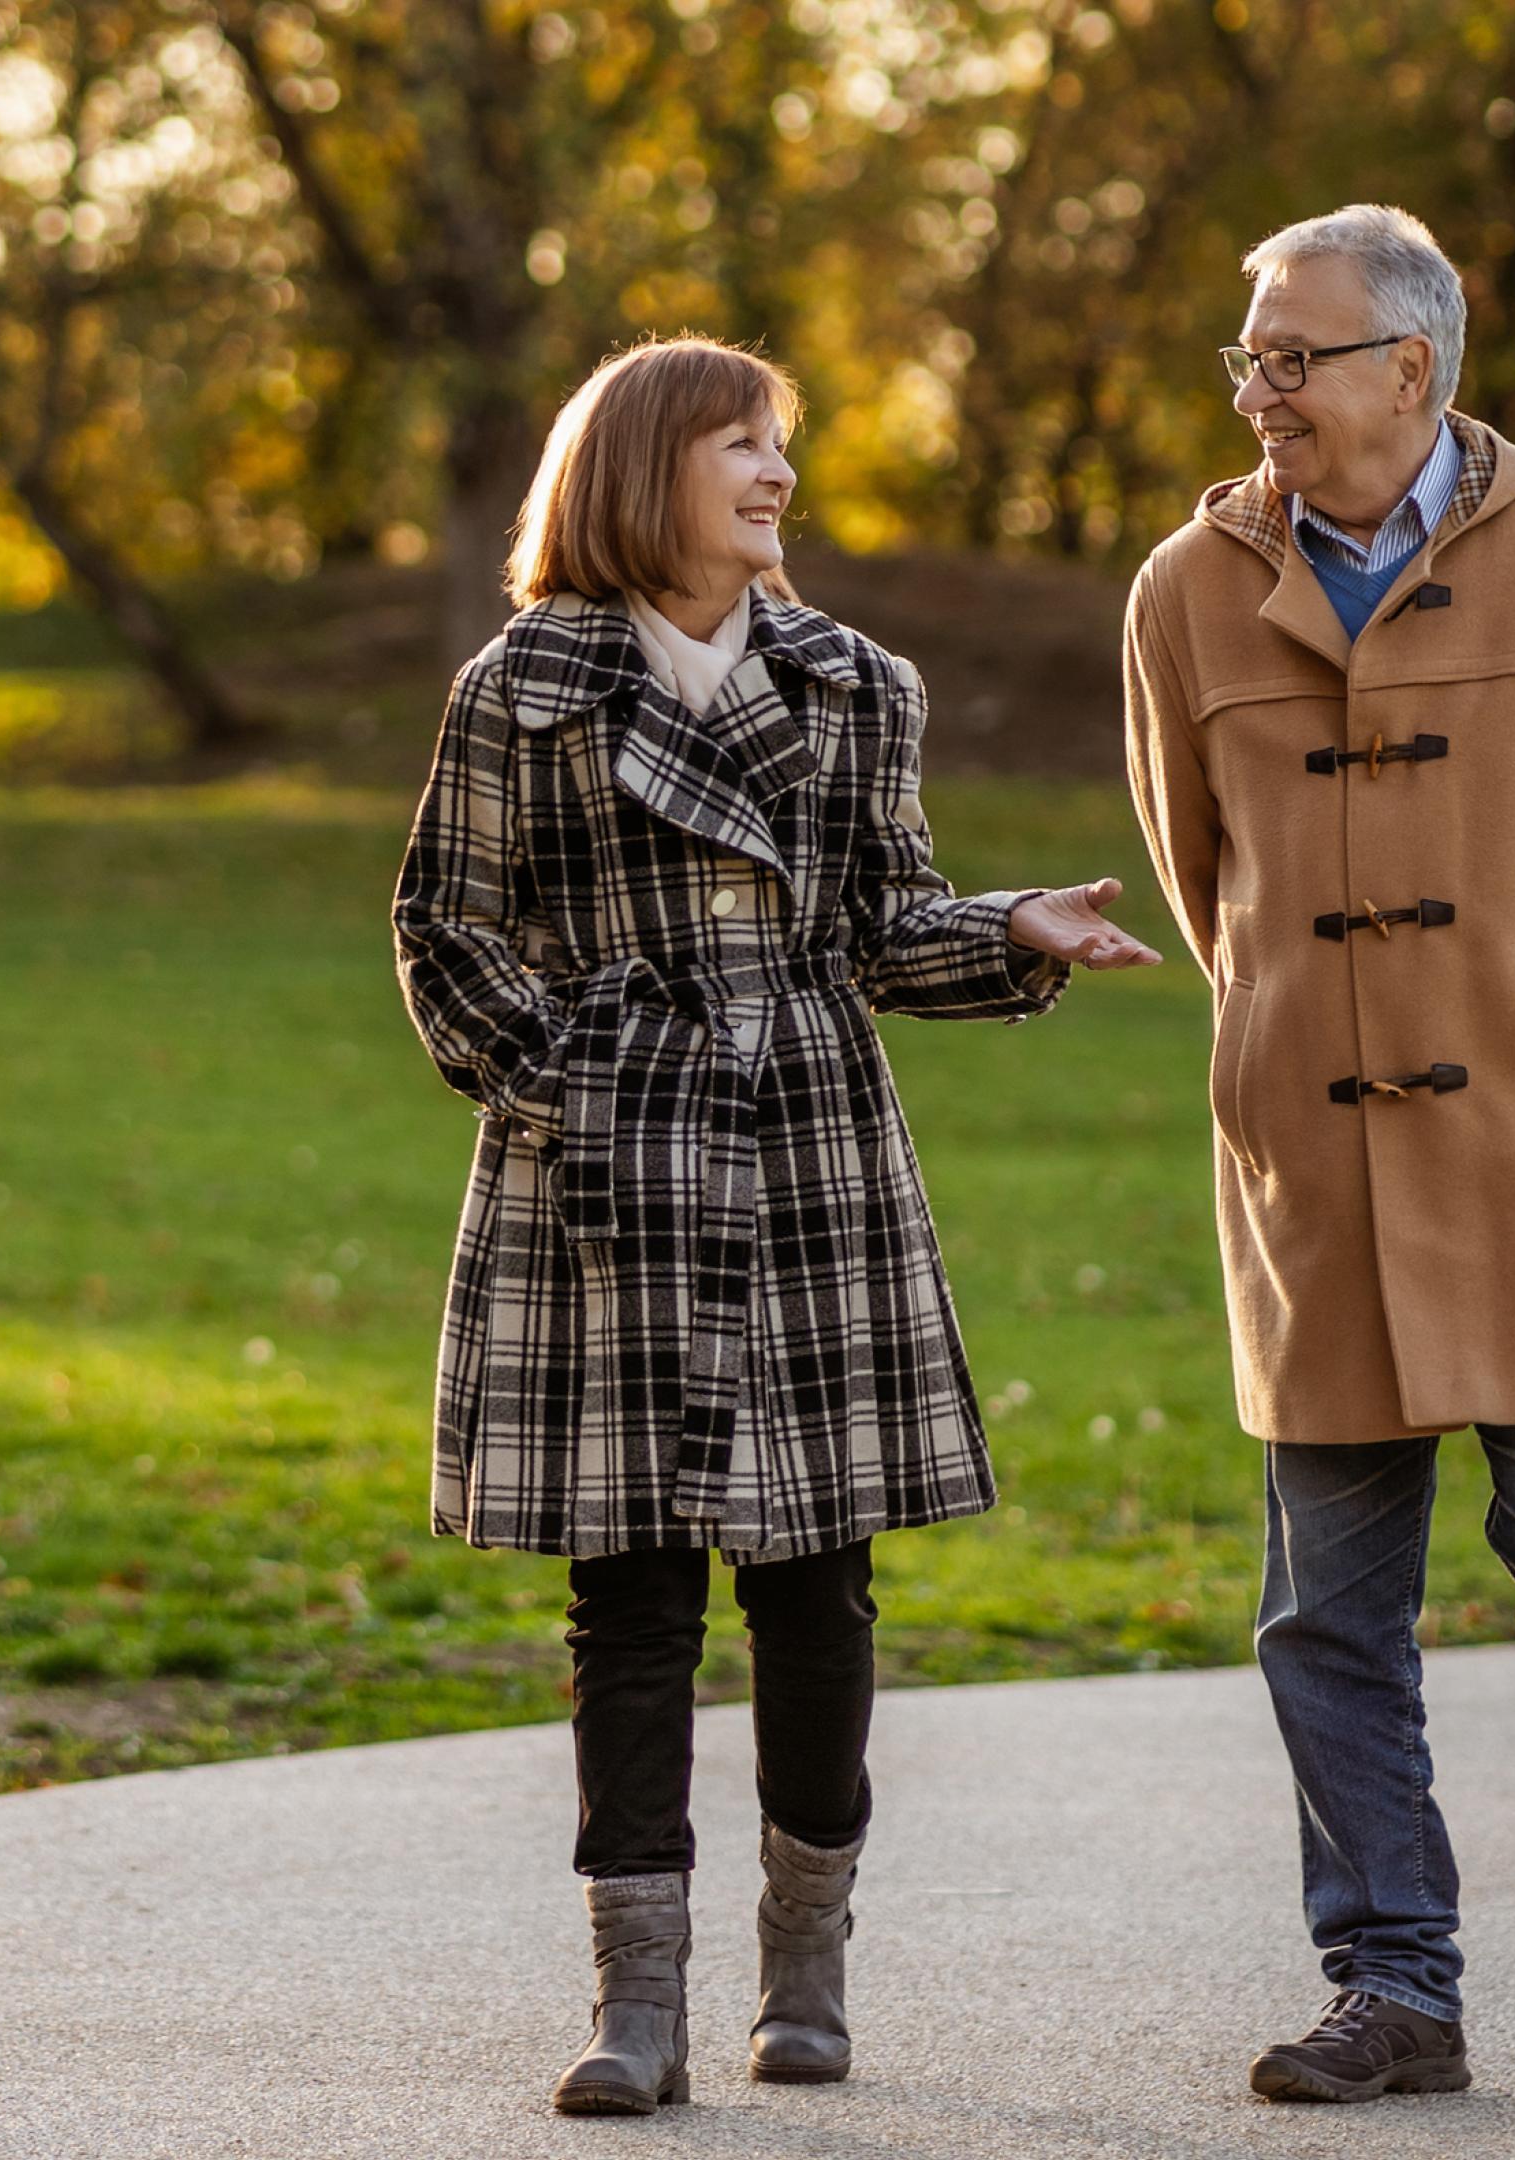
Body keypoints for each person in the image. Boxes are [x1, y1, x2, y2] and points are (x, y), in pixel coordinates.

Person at [390, 336, 1161, 2115]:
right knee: (632, 1598)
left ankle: (806, 1976)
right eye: (738, 441)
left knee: (820, 1583)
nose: (774, 473)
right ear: (640, 468)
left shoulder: (851, 682)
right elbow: (447, 934)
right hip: (610, 1176)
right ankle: (635, 2008)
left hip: (809, 1152)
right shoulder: (518, 689)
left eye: (781, 443)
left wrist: (1011, 928)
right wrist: (583, 1077)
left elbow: (885, 927)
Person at [1118, 205, 1515, 2103]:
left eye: (1289, 356)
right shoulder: (1185, 590)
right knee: (1326, 1605)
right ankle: (1393, 1982)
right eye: (1249, 358)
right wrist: (1274, 1047)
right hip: (1313, 1170)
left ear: (1412, 366)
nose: (1259, 390)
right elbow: (1199, 872)